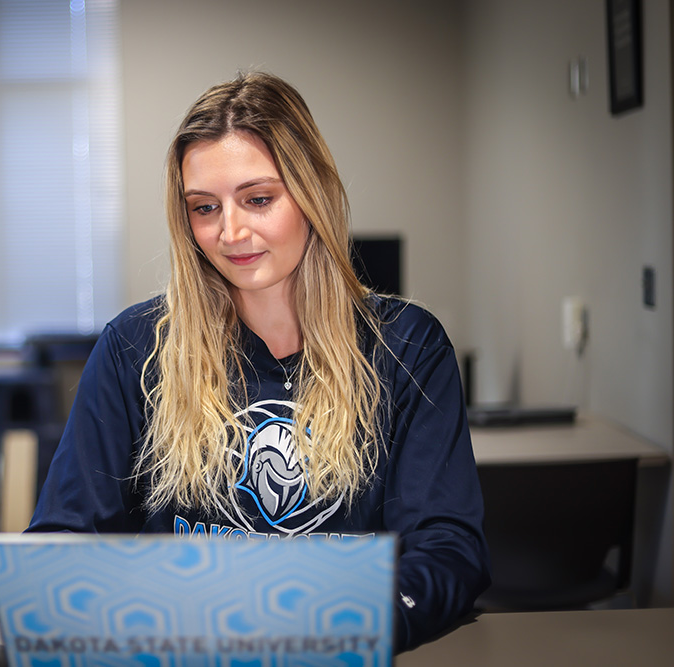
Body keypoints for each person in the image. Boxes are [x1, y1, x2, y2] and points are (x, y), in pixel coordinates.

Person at [27, 71, 490, 652]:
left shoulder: (406, 346)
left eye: (259, 199)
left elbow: (448, 548)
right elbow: (64, 543)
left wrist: (341, 626)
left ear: (311, 192)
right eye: (204, 208)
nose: (230, 232)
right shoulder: (134, 347)